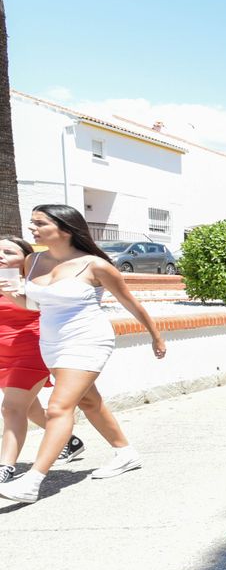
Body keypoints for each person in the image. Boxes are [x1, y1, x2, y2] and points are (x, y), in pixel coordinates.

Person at [0, 205, 164, 503]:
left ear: (64, 228)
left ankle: (32, 481)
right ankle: (125, 453)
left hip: (88, 340)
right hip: (52, 343)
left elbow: (130, 303)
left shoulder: (95, 266)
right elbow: (35, 305)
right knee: (89, 400)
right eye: (32, 222)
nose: (32, 228)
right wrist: (12, 293)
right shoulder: (33, 261)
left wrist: (155, 335)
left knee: (58, 408)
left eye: (39, 223)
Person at [0, 236, 81, 484]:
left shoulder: (36, 282)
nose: (0, 256)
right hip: (3, 354)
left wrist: (16, 292)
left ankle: (5, 467)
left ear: (25, 258)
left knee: (11, 408)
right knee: (29, 408)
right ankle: (69, 440)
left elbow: (46, 309)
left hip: (30, 349)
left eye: (7, 251)